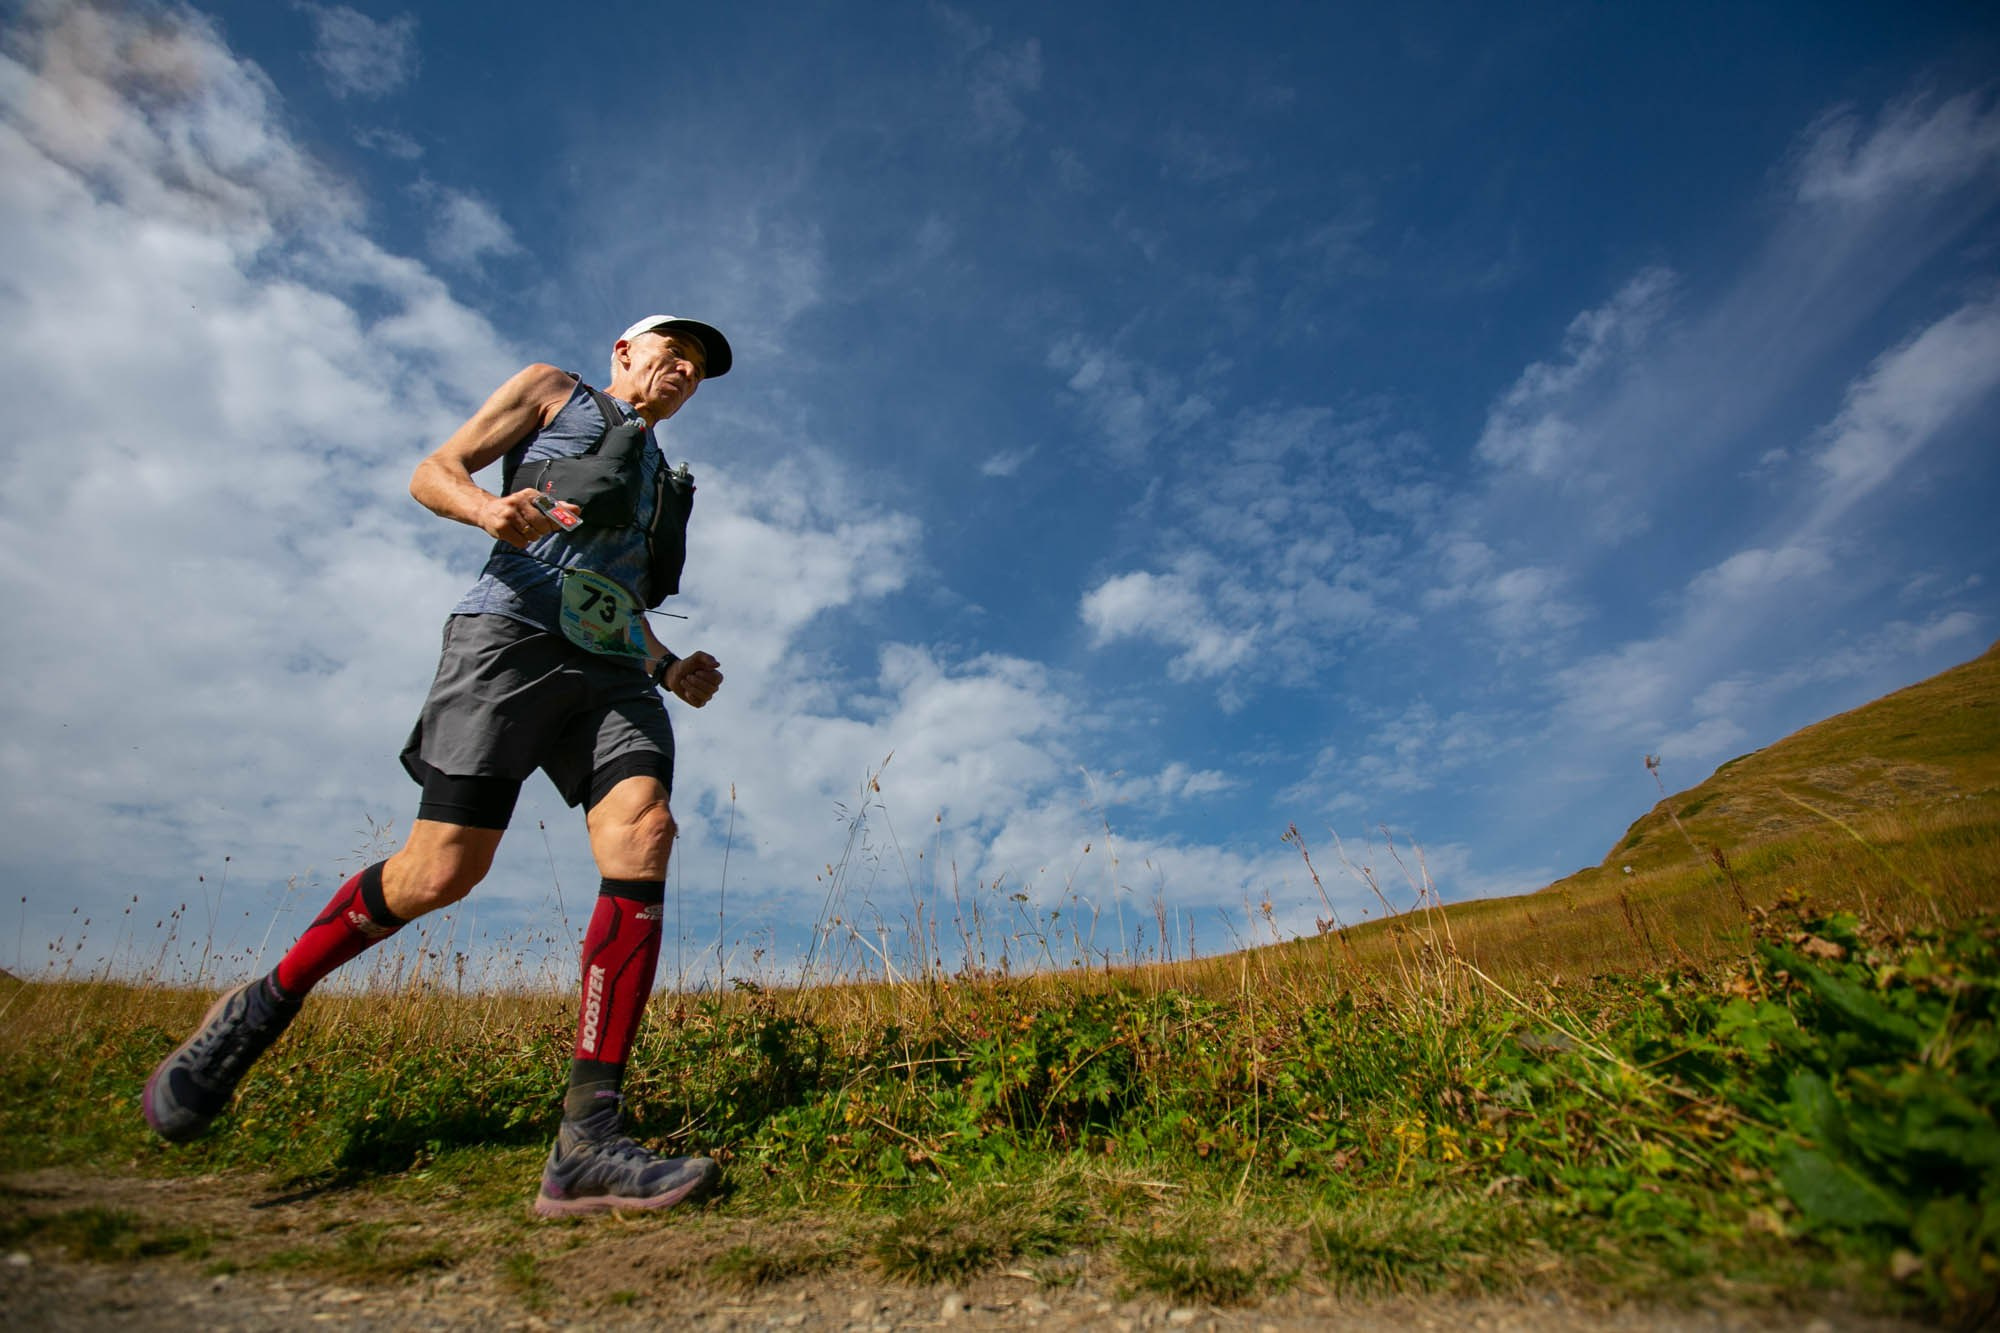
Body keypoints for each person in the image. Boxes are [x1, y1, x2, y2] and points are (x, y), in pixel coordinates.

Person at [143, 315, 733, 1217]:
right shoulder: (553, 392)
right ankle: (263, 1002)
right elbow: (432, 471)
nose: (685, 372)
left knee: (644, 831)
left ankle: (587, 1139)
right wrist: (489, 510)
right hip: (507, 638)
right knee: (440, 873)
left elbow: (613, 592)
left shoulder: (663, 477)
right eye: (673, 353)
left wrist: (665, 665)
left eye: (697, 370)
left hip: (613, 671)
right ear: (624, 353)